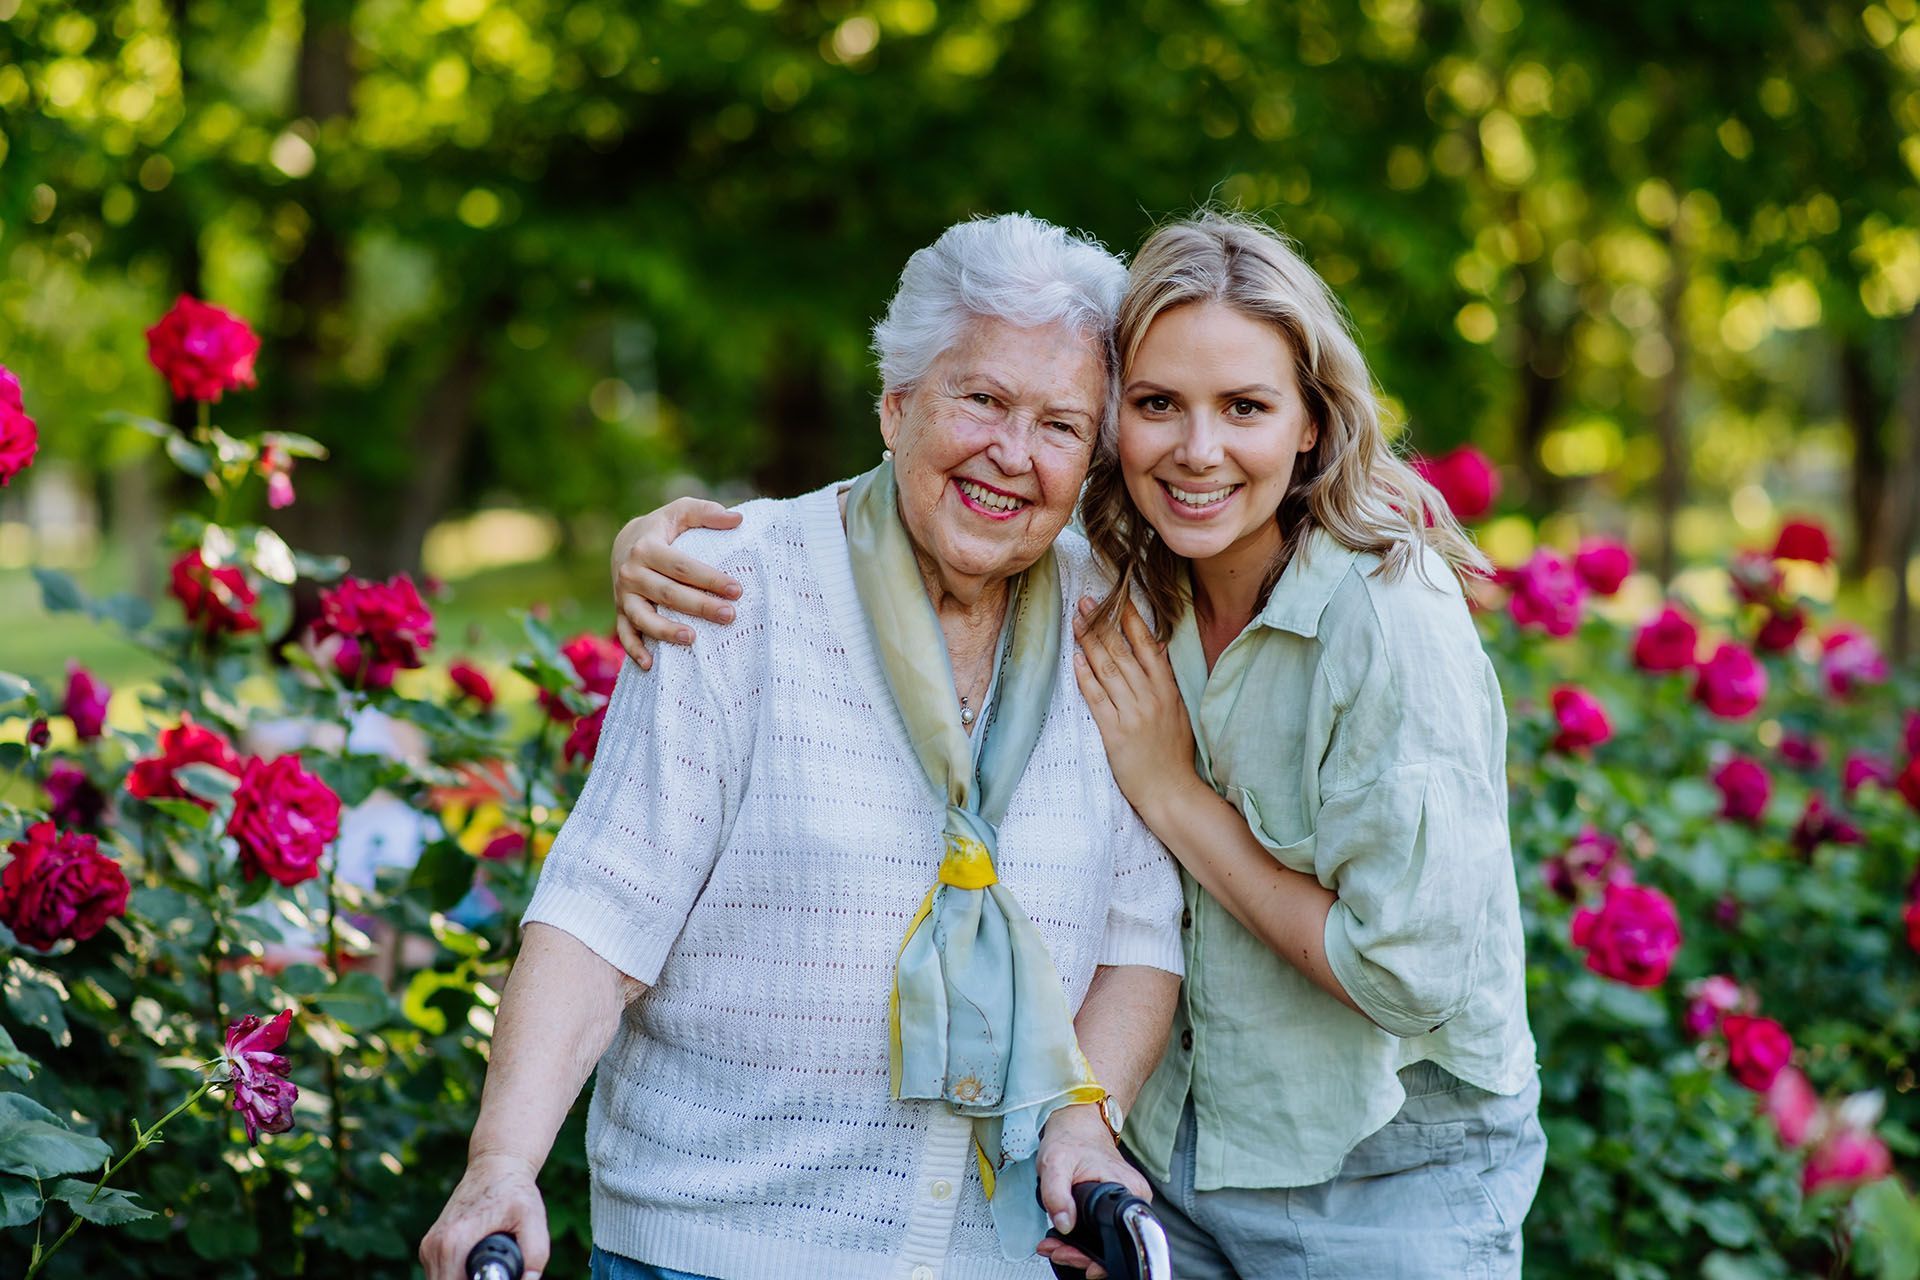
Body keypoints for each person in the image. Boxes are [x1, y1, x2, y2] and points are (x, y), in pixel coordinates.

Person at [610, 211, 1544, 1278]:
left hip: (1378, 1170)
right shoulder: (1120, 574)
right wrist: (657, 546)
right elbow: (937, 488)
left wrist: (1172, 791)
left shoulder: (1385, 617)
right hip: (1170, 1159)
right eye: (1156, 405)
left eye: (1245, 406)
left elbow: (1404, 970)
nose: (1198, 450)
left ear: (1311, 422)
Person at [420, 213, 1185, 1280]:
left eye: (1061, 424)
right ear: (896, 403)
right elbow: (602, 912)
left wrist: (1085, 1121)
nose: (1014, 452)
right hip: (714, 1245)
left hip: (994, 1256)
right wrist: (499, 1166)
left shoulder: (1109, 622)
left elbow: (1140, 931)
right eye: (982, 399)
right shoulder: (734, 587)